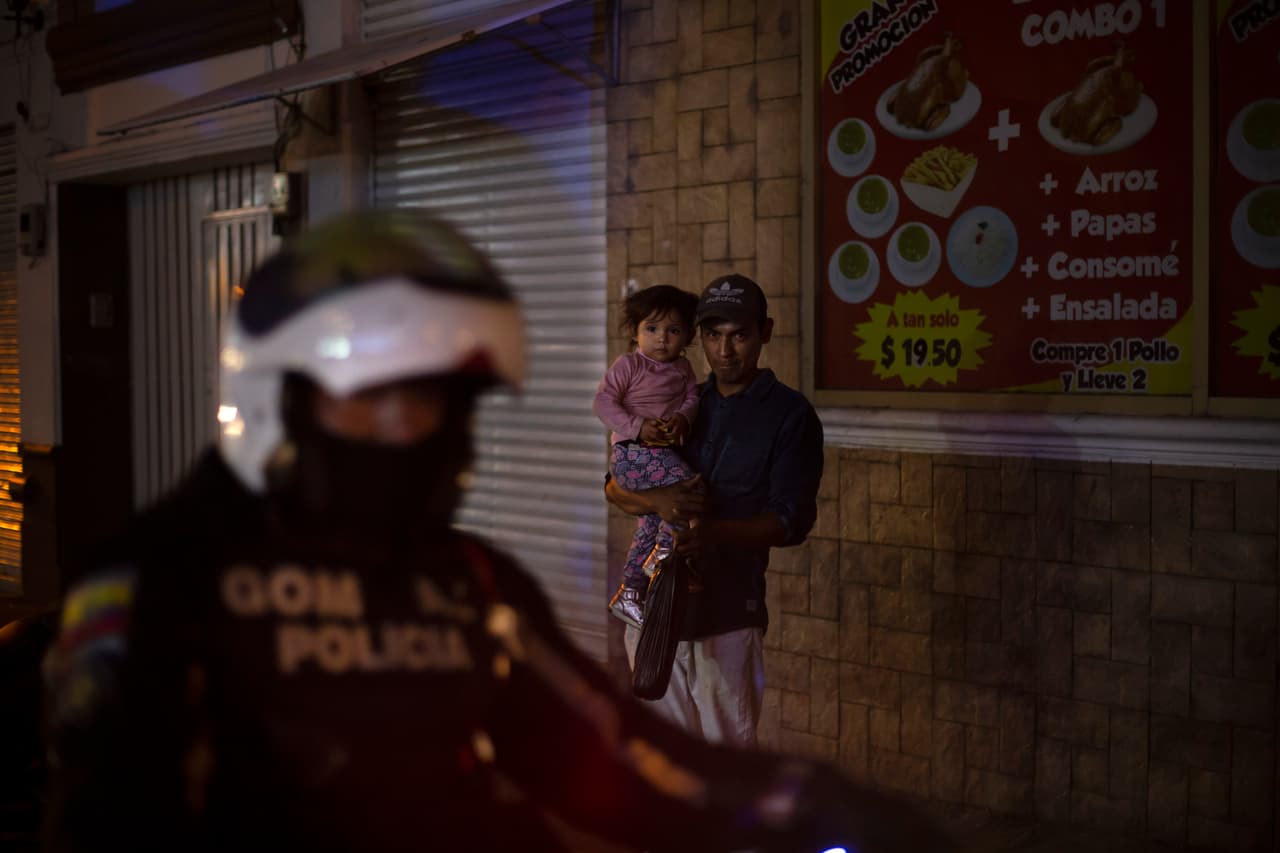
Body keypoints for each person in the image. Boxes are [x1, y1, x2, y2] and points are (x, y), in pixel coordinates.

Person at [41, 212, 950, 853]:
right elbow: (114, 806)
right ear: (291, 395)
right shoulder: (160, 583)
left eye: (448, 403)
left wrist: (808, 800)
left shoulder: (466, 583)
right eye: (393, 398)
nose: (433, 436)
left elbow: (613, 756)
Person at [606, 274, 824, 748]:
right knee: (664, 759)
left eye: (739, 335)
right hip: (654, 612)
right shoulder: (683, 401)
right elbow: (615, 487)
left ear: (765, 332)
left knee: (727, 764)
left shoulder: (789, 415)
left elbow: (791, 521)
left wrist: (712, 533)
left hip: (727, 616)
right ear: (698, 336)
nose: (724, 351)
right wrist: (657, 502)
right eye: (712, 335)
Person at [593, 284, 700, 629]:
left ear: (688, 336)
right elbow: (603, 402)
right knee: (688, 487)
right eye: (651, 328)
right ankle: (664, 554)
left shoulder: (683, 369)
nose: (662, 338)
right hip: (632, 454)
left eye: (673, 330)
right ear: (635, 332)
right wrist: (638, 427)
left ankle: (629, 591)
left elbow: (692, 399)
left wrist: (683, 418)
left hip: (659, 458)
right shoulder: (630, 365)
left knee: (651, 523)